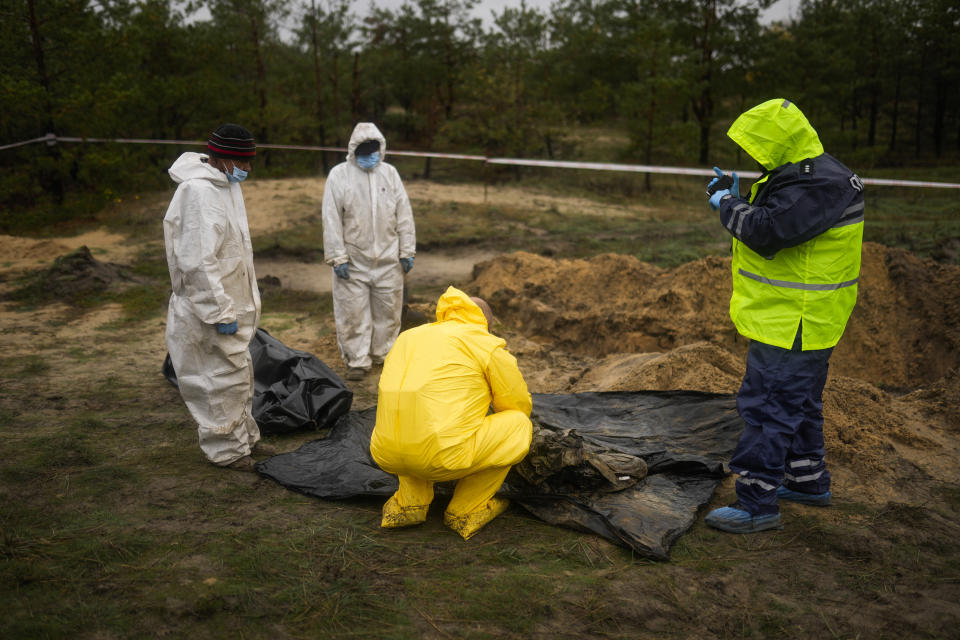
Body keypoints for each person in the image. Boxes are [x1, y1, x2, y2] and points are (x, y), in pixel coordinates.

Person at [703, 99, 865, 533]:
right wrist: (738, 199)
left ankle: (757, 503)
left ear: (781, 141)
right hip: (802, 318)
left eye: (760, 147)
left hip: (793, 320)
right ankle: (808, 482)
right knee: (799, 403)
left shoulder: (818, 186)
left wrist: (726, 206)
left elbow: (767, 232)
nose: (757, 157)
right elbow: (777, 216)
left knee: (768, 407)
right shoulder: (814, 173)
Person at [370, 287, 533, 540]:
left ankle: (408, 506)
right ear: (485, 322)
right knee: (519, 424)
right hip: (443, 457)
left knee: (412, 417)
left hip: (385, 452)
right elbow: (516, 404)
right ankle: (466, 510)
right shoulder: (484, 343)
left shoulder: (408, 337)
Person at [163, 123, 273, 472]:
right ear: (222, 158)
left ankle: (244, 441)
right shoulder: (198, 192)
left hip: (228, 302)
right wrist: (220, 311)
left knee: (237, 375)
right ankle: (227, 452)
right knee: (216, 382)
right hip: (207, 308)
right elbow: (197, 260)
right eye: (243, 162)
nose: (248, 169)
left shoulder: (224, 185)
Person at [322, 123, 416, 381]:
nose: (369, 156)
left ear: (381, 149)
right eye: (364, 151)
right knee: (353, 313)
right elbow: (331, 218)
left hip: (388, 259)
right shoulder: (339, 176)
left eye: (373, 151)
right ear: (353, 151)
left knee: (388, 311)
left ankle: (384, 355)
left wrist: (407, 250)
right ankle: (357, 360)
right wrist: (337, 256)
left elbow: (403, 215)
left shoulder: (390, 174)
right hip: (353, 261)